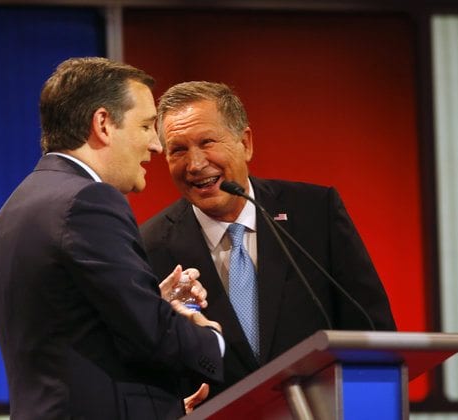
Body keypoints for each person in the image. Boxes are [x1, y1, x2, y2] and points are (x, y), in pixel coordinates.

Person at [0, 58, 225, 420]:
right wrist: (212, 338)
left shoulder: (17, 207)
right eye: (145, 126)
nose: (156, 145)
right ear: (103, 124)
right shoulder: (88, 201)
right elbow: (152, 334)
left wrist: (152, 301)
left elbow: (72, 328)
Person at [140, 81, 396, 397]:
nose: (195, 164)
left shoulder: (314, 213)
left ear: (245, 142)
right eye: (178, 150)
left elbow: (372, 331)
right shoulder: (149, 246)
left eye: (207, 142)